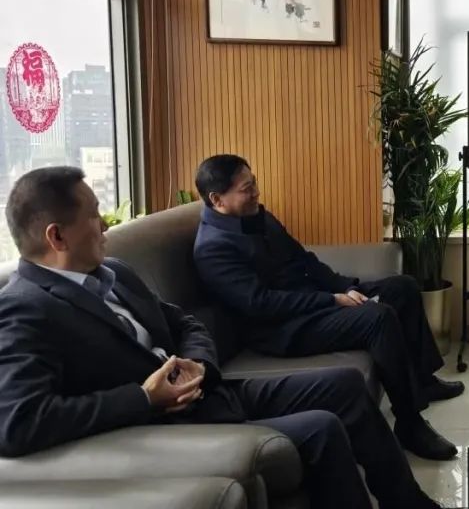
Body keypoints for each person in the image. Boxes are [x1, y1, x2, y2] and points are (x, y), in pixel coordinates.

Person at [0, 167, 443, 509]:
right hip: (166, 425)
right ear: (56, 236)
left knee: (345, 385)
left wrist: (200, 363)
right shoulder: (24, 308)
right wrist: (144, 398)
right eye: (94, 215)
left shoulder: (115, 273)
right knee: (322, 427)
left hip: (211, 388)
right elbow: (18, 423)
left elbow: (187, 324)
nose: (104, 226)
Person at [192, 154, 461, 461]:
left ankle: (424, 382)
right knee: (378, 319)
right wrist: (331, 300)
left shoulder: (258, 217)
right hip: (282, 329)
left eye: (254, 183)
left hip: (312, 301)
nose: (256, 192)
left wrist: (344, 287)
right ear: (217, 199)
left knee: (403, 288)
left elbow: (304, 260)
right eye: (246, 188)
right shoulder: (212, 248)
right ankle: (410, 424)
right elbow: (261, 304)